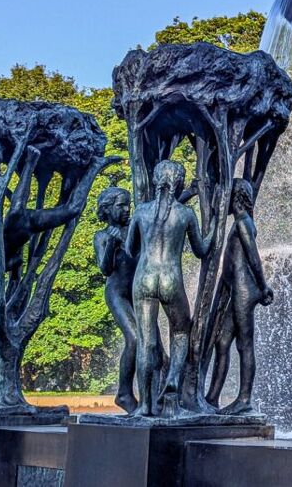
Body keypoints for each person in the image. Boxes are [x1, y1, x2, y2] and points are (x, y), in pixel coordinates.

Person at [126, 160, 214, 417]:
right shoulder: (185, 214)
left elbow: (130, 249)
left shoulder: (141, 211)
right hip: (170, 278)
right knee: (181, 331)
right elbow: (201, 250)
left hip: (144, 277)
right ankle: (173, 379)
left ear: (155, 180)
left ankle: (144, 405)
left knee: (146, 342)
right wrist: (214, 227)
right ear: (180, 183)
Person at [205, 179, 274, 414]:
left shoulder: (244, 222)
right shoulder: (239, 222)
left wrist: (263, 287)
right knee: (222, 341)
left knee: (244, 344)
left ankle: (244, 399)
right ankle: (212, 397)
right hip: (237, 289)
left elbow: (253, 257)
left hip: (246, 290)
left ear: (235, 198)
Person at [94, 187, 142, 413]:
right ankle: (124, 393)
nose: (126, 209)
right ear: (107, 209)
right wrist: (112, 245)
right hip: (117, 294)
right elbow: (105, 269)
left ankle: (156, 392)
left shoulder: (134, 228)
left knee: (152, 342)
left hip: (138, 294)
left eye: (128, 205)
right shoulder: (102, 236)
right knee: (135, 339)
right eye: (121, 205)